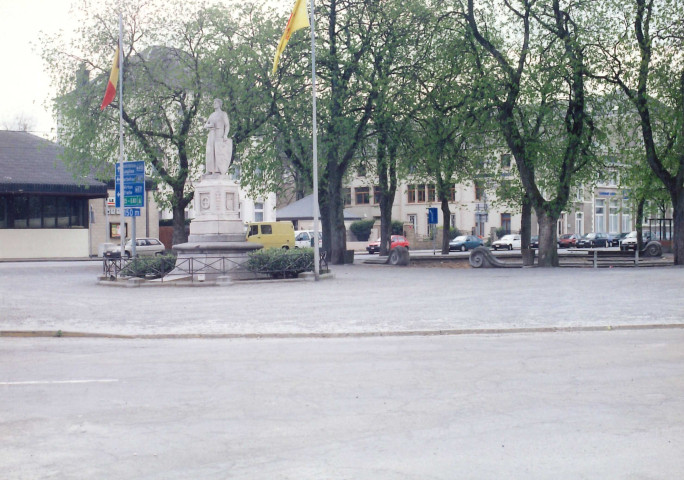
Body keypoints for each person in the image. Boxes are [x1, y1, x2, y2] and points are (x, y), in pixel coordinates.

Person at [204, 99, 232, 174]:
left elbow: (227, 125)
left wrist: (225, 135)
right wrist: (210, 125)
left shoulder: (223, 114)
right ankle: (209, 169)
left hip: (220, 132)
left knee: (218, 151)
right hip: (212, 133)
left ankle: (218, 169)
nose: (214, 104)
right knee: (210, 151)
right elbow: (205, 125)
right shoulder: (212, 115)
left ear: (219, 104)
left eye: (215, 103)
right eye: (213, 103)